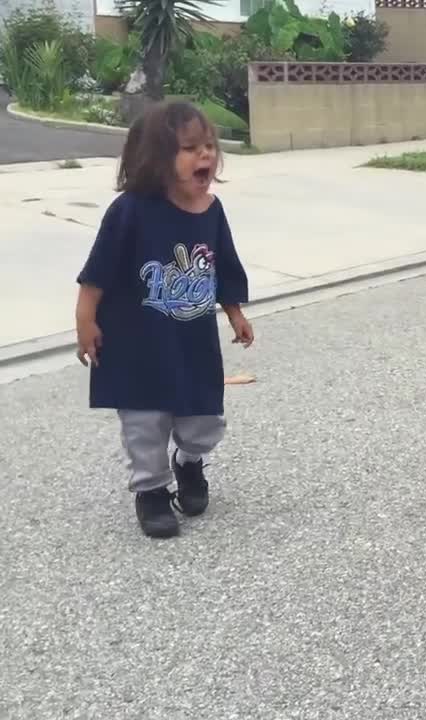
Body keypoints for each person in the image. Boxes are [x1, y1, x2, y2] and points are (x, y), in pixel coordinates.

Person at [74, 100, 253, 539]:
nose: (205, 156)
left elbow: (225, 266)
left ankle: (190, 464)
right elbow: (97, 272)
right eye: (191, 148)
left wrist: (234, 312)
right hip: (137, 344)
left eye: (209, 146)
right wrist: (85, 319)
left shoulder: (212, 210)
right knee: (145, 423)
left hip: (193, 342)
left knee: (204, 418)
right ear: (156, 159)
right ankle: (151, 491)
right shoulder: (130, 211)